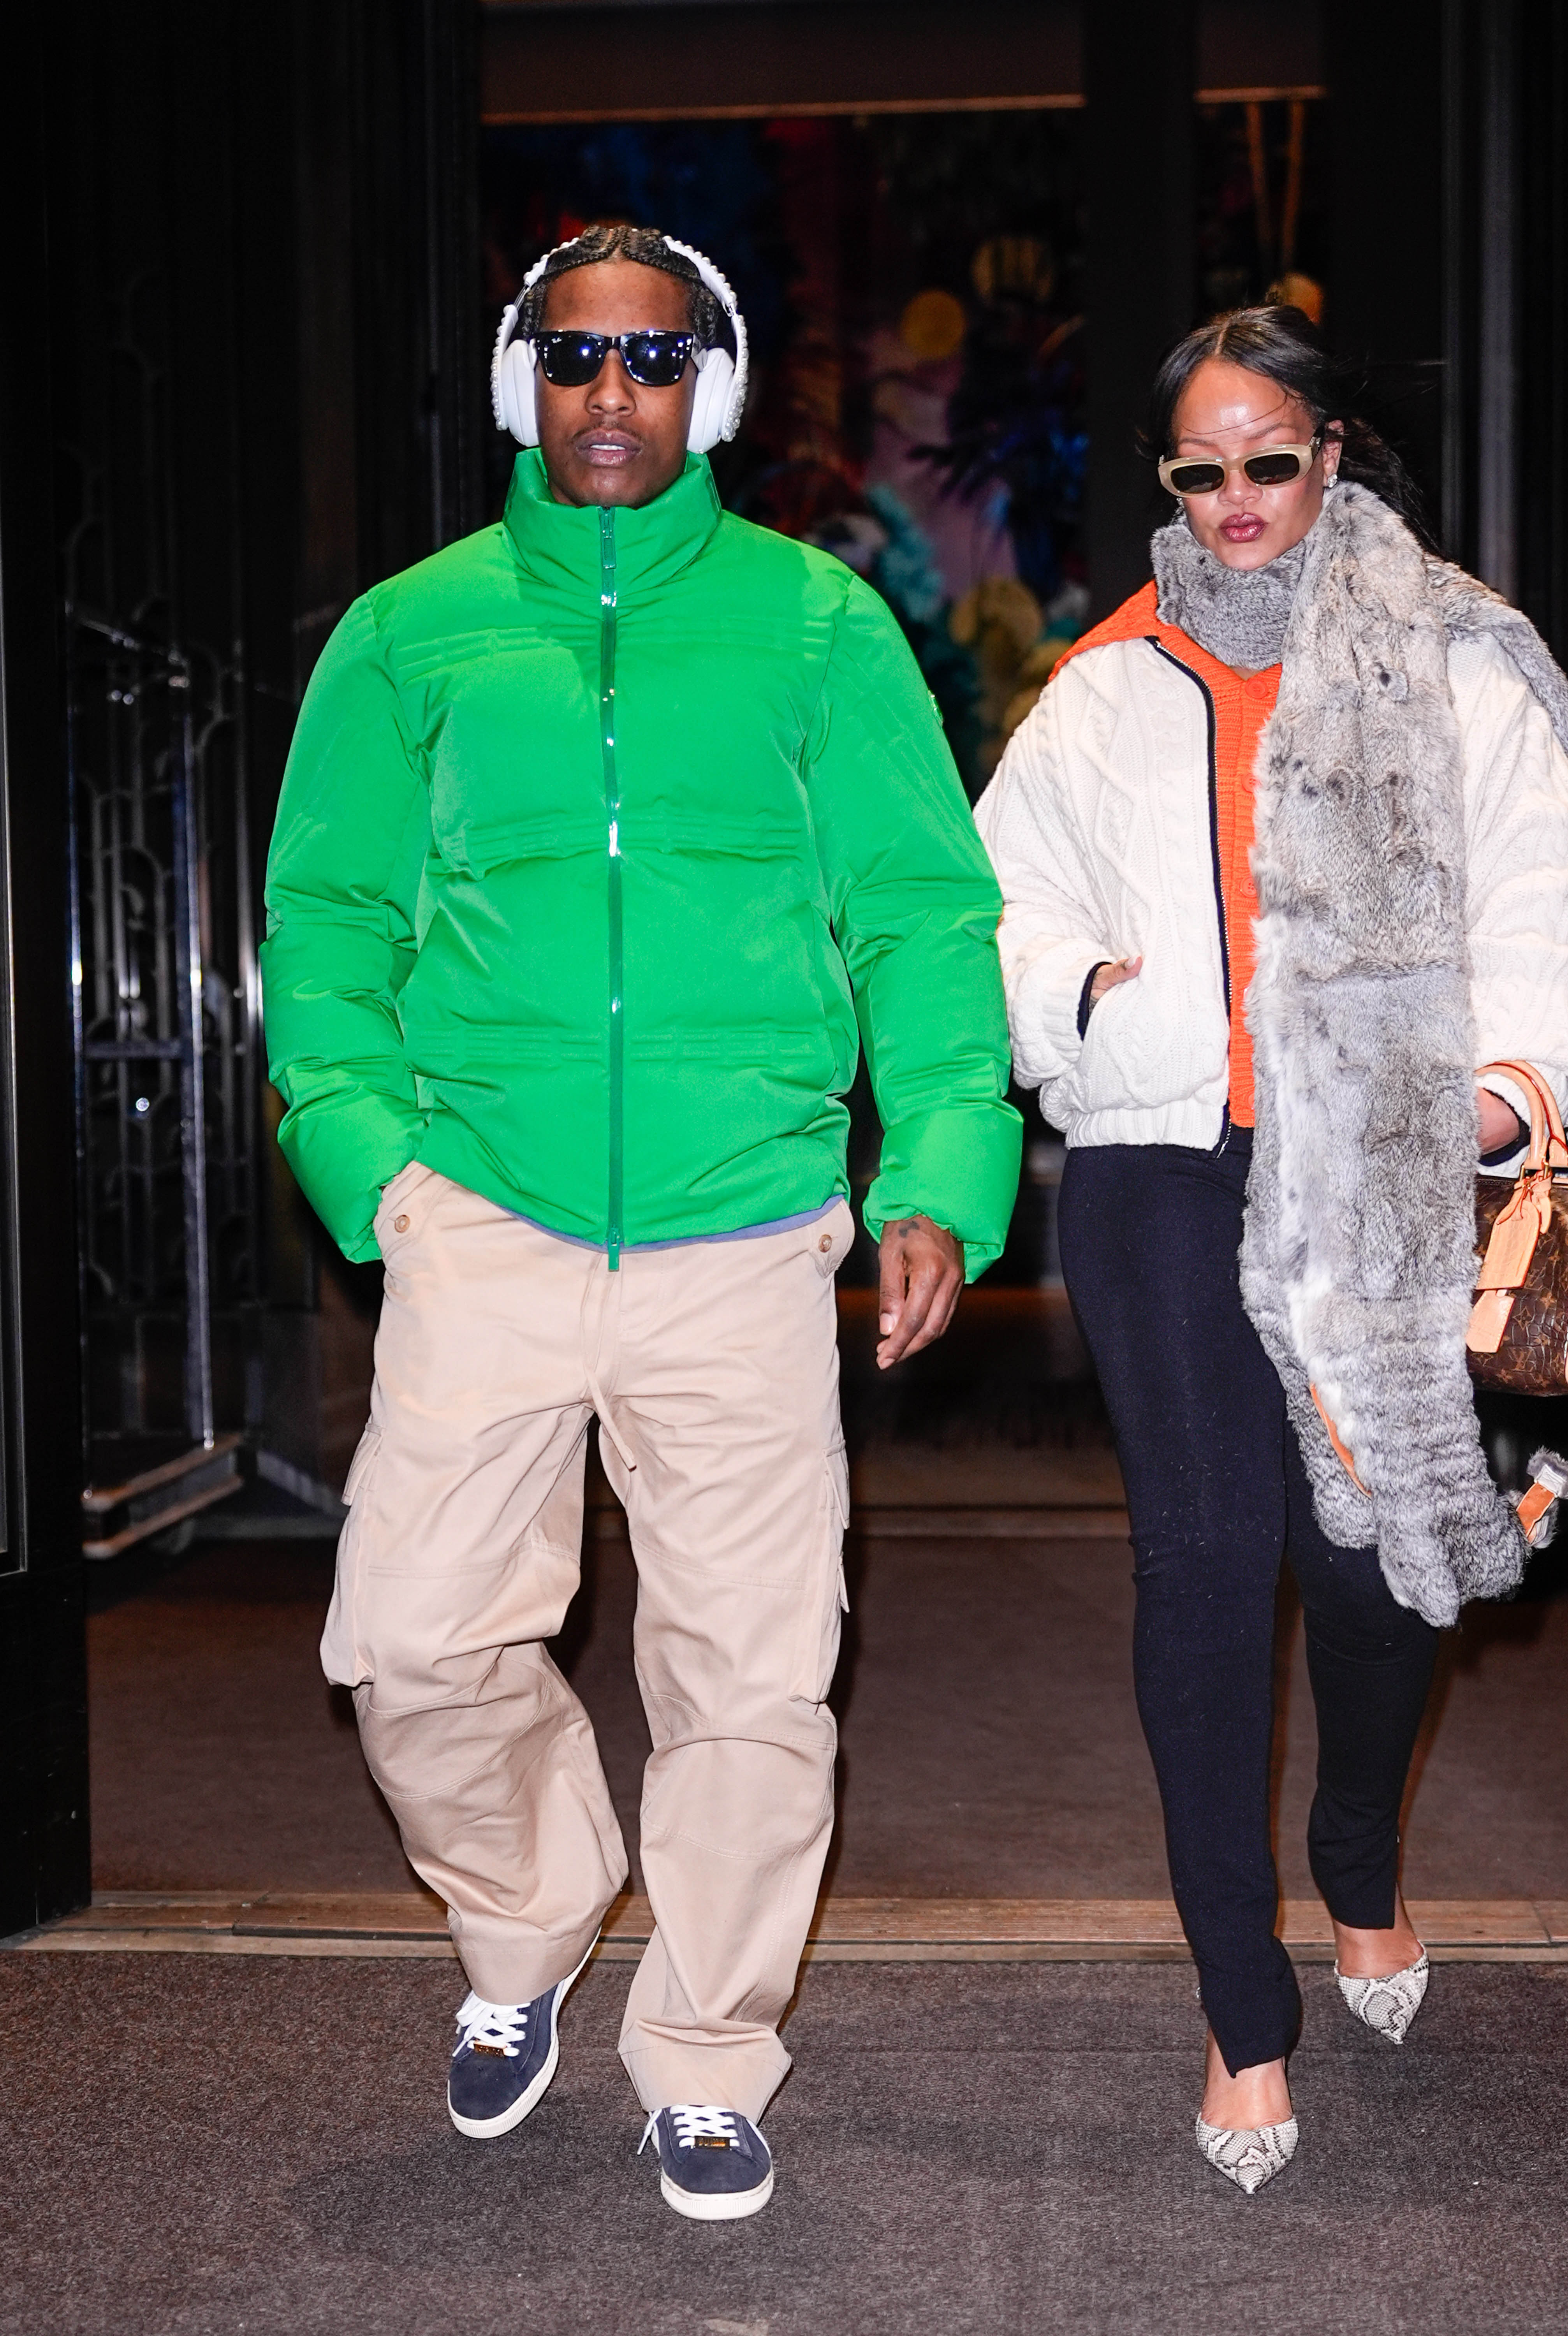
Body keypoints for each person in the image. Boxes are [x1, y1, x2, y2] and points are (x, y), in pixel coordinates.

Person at [263, 222, 1019, 2221]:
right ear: (525, 379)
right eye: (580, 358)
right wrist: (372, 1167)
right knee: (414, 1646)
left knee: (755, 1681)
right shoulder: (407, 635)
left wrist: (940, 1171)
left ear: (716, 388)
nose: (617, 394)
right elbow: (327, 926)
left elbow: (923, 916)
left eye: (658, 360)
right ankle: (530, 1920)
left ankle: (701, 2043)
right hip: (483, 1221)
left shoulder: (814, 629)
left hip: (746, 1226)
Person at [973, 304, 1568, 2193]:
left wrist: (1504, 1087)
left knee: (1371, 1560)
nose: (1230, 500)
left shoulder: (1450, 651)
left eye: (1265, 461)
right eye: (1193, 470)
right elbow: (995, 901)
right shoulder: (1103, 680)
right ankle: (1239, 2005)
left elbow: (1550, 880)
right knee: (1201, 1566)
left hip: (1377, 1163)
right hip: (1157, 1167)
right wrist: (1084, 995)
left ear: (1331, 454)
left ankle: (1356, 1857)